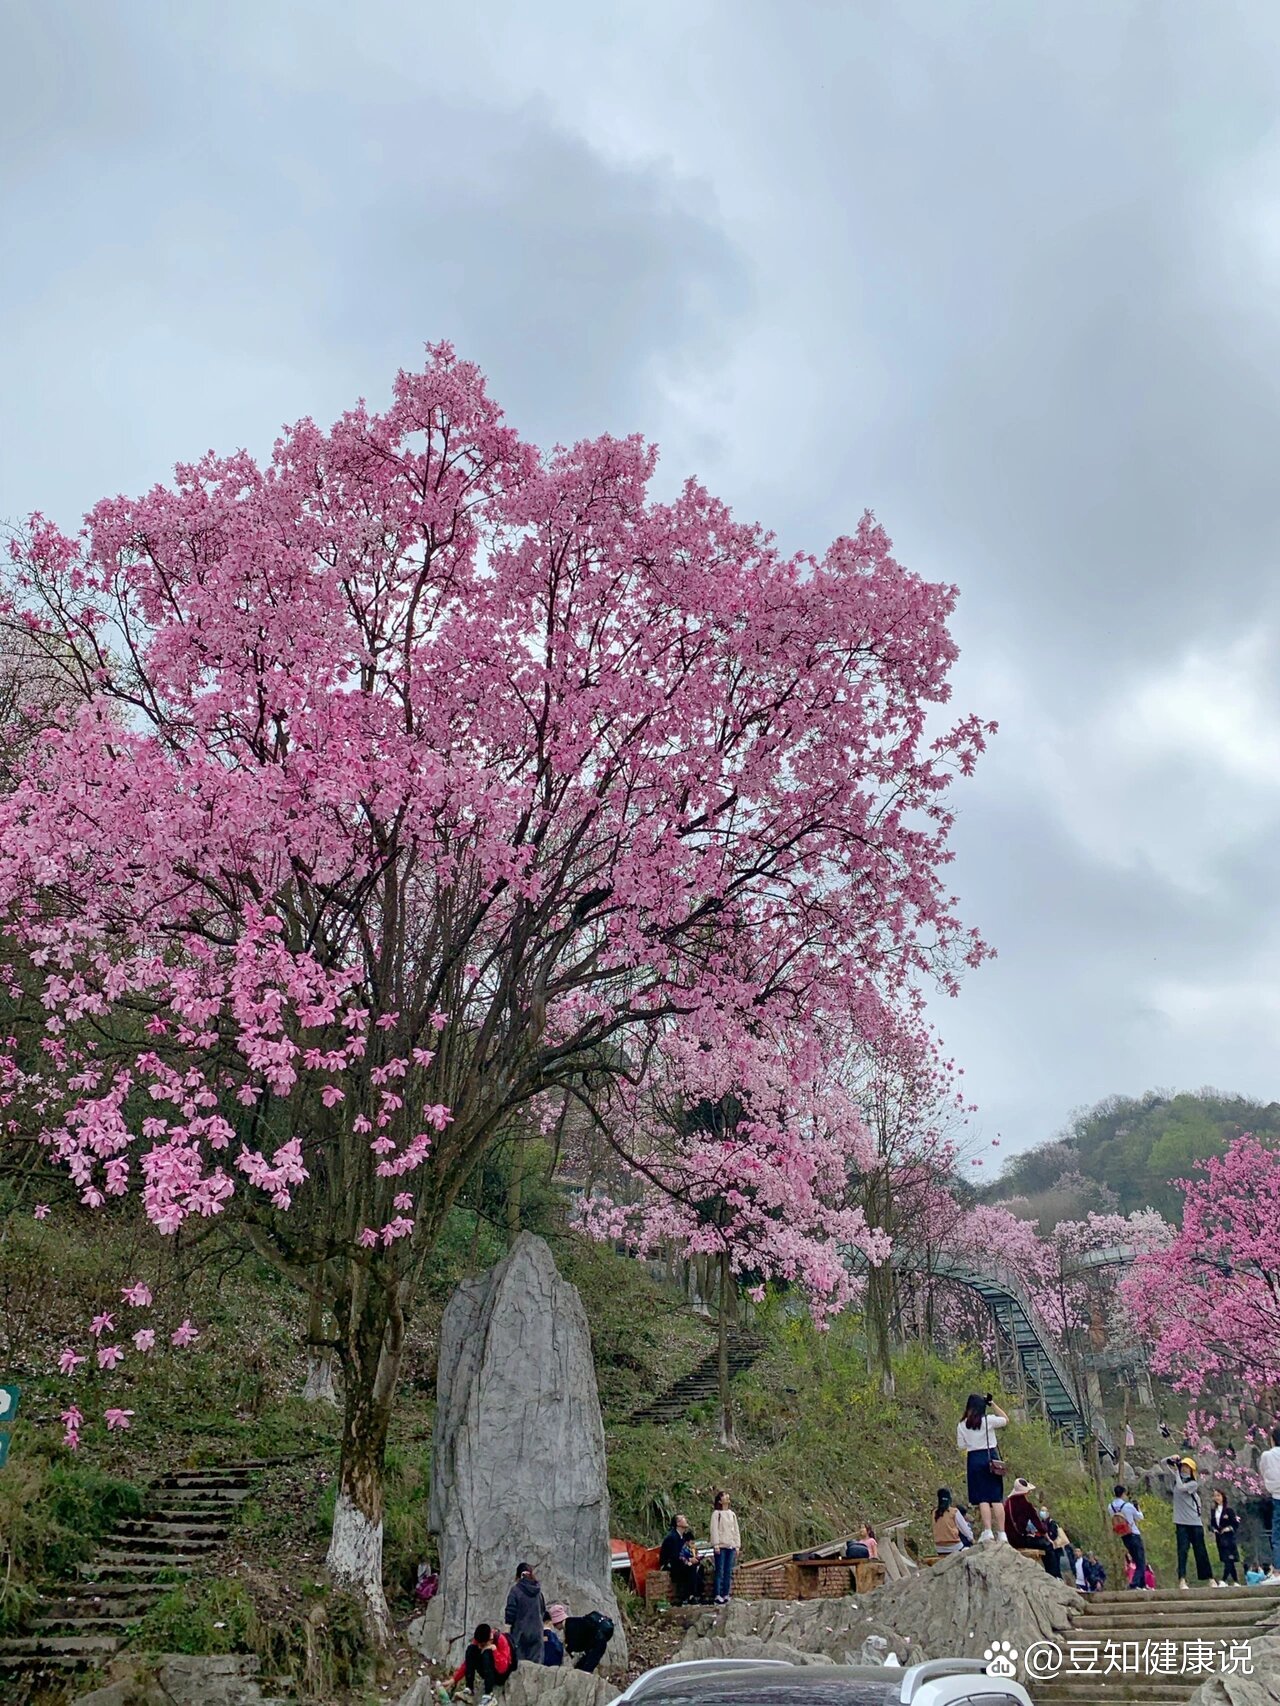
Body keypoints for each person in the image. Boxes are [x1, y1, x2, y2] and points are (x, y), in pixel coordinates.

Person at [957, 1392, 1008, 1544]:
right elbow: (1005, 1419)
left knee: (982, 1499)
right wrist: (993, 1404)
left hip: (974, 1460)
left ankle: (988, 1531)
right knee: (996, 1498)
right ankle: (1002, 1533)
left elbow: (961, 1446)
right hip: (990, 1457)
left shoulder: (961, 1425)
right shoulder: (988, 1421)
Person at [1164, 1456, 1213, 1590]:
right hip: (1180, 1522)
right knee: (1182, 1551)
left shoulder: (1193, 1483)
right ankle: (1182, 1579)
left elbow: (1181, 1488)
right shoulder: (1177, 1477)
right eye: (1183, 1466)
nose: (1184, 1469)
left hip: (1194, 1522)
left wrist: (1177, 1473)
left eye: (1187, 1468)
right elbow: (1163, 1463)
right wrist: (1172, 1459)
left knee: (1200, 1551)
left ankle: (1210, 1578)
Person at [1004, 1478, 1057, 1575]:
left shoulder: (1007, 1503)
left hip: (1010, 1539)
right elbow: (1038, 1524)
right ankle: (1053, 1575)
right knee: (1048, 1546)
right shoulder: (1026, 1505)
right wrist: (1047, 1537)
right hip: (1021, 1539)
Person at [506, 1563, 549, 1664]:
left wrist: (507, 1630)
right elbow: (543, 1611)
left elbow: (510, 1611)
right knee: (536, 1667)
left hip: (520, 1634)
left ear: (517, 1576)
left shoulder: (515, 1590)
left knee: (520, 1667)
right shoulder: (538, 1592)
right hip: (537, 1633)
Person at [1109, 1484, 1149, 1592]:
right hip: (1133, 1534)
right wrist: (1138, 1508)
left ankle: (1142, 1584)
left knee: (1136, 1559)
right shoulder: (1127, 1506)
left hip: (1123, 1535)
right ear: (1123, 1493)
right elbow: (1140, 1517)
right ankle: (1135, 1584)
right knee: (1141, 1560)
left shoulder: (1111, 1507)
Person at [658, 1515, 700, 1605]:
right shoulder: (672, 1537)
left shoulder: (684, 1537)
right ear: (678, 1523)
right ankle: (689, 1595)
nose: (686, 1519)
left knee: (699, 1567)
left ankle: (697, 1594)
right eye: (683, 1519)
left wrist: (694, 1557)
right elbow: (674, 1556)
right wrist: (689, 1560)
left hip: (682, 1561)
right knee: (689, 1567)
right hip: (671, 1564)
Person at [710, 1490, 741, 1605]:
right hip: (721, 1546)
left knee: (728, 1571)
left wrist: (737, 1545)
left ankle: (726, 1593)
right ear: (719, 1500)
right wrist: (716, 1544)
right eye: (723, 1496)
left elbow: (736, 1530)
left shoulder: (732, 1514)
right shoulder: (716, 1514)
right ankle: (717, 1594)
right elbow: (714, 1530)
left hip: (730, 1546)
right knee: (720, 1570)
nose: (726, 1497)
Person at [1260, 1424, 1280, 1583]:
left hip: (1278, 1496)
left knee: (1277, 1536)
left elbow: (1264, 1472)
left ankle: (1278, 1572)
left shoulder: (1267, 1455)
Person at [1210, 1488, 1241, 1586]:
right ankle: (1236, 1581)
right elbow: (1211, 1524)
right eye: (1215, 1496)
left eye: (1218, 1495)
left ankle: (1223, 1580)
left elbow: (1235, 1523)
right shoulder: (1213, 1511)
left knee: (1229, 1558)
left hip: (1229, 1538)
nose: (1217, 1498)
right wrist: (1213, 1529)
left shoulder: (1229, 1510)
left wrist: (1229, 1528)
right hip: (1220, 1538)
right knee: (1228, 1560)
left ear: (1223, 1496)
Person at [933, 1488, 966, 1555]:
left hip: (939, 1548)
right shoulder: (954, 1512)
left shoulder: (934, 1512)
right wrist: (972, 1539)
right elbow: (964, 1529)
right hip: (955, 1546)